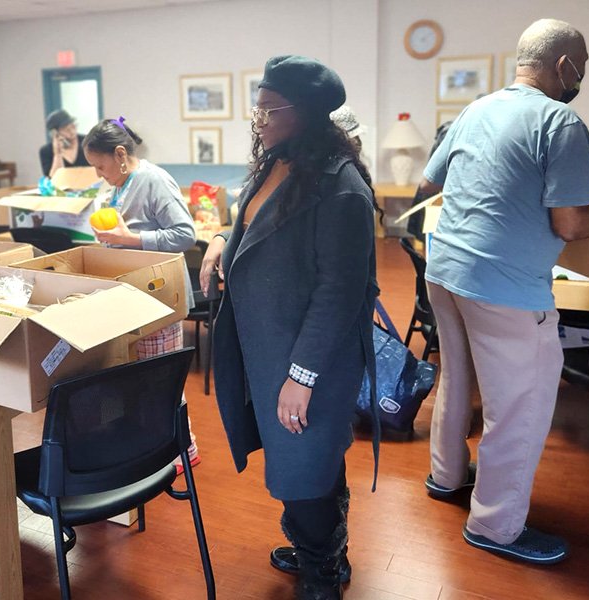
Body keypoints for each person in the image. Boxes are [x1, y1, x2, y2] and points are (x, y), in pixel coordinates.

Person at [417, 19, 589, 565]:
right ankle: (495, 527)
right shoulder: (560, 120)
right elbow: (570, 224)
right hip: (504, 287)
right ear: (564, 65)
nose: (583, 75)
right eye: (583, 65)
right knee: (519, 406)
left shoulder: (476, 109)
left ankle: (447, 476)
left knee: (458, 377)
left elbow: (436, 180)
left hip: (445, 270)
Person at [200, 56, 378, 600]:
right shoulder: (275, 162)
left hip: (308, 355)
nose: (259, 120)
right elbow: (253, 224)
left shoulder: (341, 187)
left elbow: (339, 293)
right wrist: (221, 246)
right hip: (265, 343)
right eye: (258, 109)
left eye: (267, 110)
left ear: (304, 114)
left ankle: (322, 569)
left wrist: (302, 376)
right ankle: (322, 550)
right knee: (308, 459)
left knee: (304, 464)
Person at [82, 117, 201, 472]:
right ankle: (151, 445)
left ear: (120, 154)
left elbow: (185, 234)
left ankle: (182, 450)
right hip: (134, 296)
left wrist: (129, 240)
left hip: (159, 295)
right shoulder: (121, 184)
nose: (99, 174)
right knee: (140, 380)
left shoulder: (153, 180)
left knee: (161, 380)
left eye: (100, 166)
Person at [38, 109, 89, 178]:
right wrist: (57, 154)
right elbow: (53, 179)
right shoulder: (46, 151)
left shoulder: (87, 142)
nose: (72, 131)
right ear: (55, 133)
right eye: (66, 129)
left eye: (73, 126)